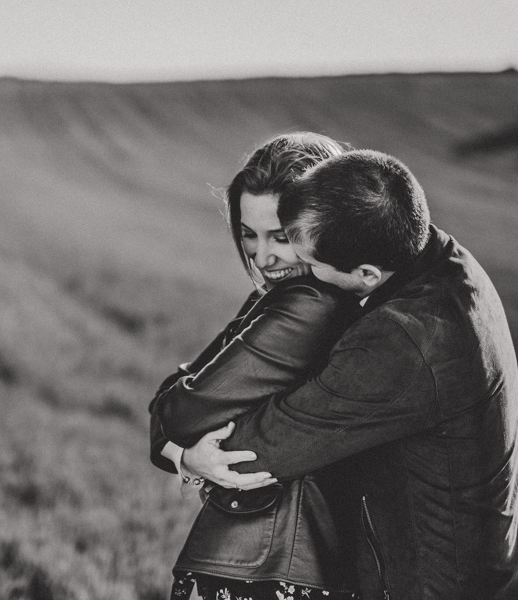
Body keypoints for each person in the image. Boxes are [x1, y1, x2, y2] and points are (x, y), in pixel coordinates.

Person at [156, 150, 518, 599]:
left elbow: (262, 447)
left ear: (366, 274)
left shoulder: (400, 340)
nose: (292, 269)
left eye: (305, 257)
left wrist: (184, 451)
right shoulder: (441, 258)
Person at [149, 133, 362, 600]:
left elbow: (180, 411)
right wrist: (186, 457)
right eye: (249, 234)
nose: (262, 258)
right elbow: (172, 403)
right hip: (267, 558)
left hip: (270, 564)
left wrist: (180, 444)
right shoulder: (275, 298)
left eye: (281, 237)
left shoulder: (312, 303)